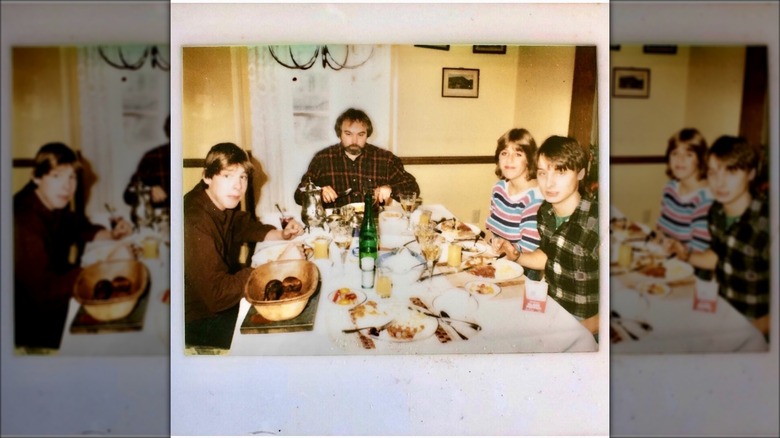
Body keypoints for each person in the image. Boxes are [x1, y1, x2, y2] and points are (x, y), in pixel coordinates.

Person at [13, 142, 133, 352]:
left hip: (54, 298)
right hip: (32, 325)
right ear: (36, 177)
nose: (67, 186)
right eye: (57, 176)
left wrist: (111, 234)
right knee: (118, 342)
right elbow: (44, 293)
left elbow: (77, 225)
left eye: (72, 177)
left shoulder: (50, 201)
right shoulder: (23, 223)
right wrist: (99, 269)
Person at [184, 142, 304, 350]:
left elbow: (240, 225)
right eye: (227, 175)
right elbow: (217, 295)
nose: (238, 186)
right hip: (197, 319)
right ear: (207, 176)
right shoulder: (194, 221)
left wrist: (281, 234)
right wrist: (275, 266)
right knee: (284, 337)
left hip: (214, 301)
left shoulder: (215, 198)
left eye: (243, 177)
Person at [672, 136, 769, 337]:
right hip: (724, 314)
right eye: (713, 172)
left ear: (751, 173)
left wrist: (751, 332)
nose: (720, 182)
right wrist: (686, 256)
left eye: (731, 171)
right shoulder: (716, 211)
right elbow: (719, 257)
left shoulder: (767, 222)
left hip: (757, 332)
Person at [511, 136, 600, 336]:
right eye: (542, 173)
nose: (549, 183)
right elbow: (549, 256)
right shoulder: (545, 211)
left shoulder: (598, 222)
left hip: (585, 326)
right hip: (551, 310)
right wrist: (516, 256)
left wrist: (579, 331)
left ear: (581, 173)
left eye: (560, 172)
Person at [294, 108, 420, 208]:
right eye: (348, 134)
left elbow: (413, 188)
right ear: (339, 134)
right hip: (335, 225)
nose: (354, 141)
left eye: (361, 134)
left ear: (367, 135)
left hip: (372, 224)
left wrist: (390, 189)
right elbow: (299, 195)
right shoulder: (322, 158)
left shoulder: (385, 159)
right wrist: (317, 192)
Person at [484, 128, 544, 281]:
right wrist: (492, 246)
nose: (509, 160)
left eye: (518, 154)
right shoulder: (499, 188)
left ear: (529, 160)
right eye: (504, 153)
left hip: (523, 271)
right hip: (497, 260)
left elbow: (528, 248)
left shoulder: (535, 198)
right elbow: (492, 230)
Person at [656, 128, 714, 280]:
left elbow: (699, 251)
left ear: (700, 159)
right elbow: (661, 229)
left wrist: (672, 250)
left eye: (688, 155)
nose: (679, 160)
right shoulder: (670, 188)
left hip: (692, 273)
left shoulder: (705, 198)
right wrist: (662, 241)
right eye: (675, 153)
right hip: (668, 261)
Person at [124, 115, 171, 210]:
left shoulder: (202, 159)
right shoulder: (152, 157)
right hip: (162, 221)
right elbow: (128, 195)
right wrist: (149, 191)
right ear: (168, 131)